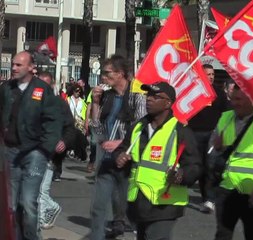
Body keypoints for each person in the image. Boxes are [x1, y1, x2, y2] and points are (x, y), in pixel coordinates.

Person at [115, 82, 201, 240]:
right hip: (139, 201)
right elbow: (122, 149)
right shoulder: (137, 127)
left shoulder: (180, 131)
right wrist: (119, 157)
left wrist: (182, 175)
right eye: (148, 96)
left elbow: (194, 165)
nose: (149, 99)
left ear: (168, 103)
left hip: (164, 203)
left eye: (156, 97)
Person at [0, 51, 62, 240]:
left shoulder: (42, 90)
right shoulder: (6, 89)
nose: (14, 68)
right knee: (11, 205)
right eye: (13, 64)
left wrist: (45, 149)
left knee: (28, 202)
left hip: (35, 153)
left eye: (19, 65)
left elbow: (53, 121)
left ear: (30, 67)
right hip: (11, 152)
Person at [89, 55, 146, 240]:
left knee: (125, 199)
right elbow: (97, 128)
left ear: (120, 74)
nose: (103, 77)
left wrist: (121, 143)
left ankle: (130, 226)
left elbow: (141, 128)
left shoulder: (137, 95)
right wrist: (96, 104)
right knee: (98, 203)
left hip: (127, 156)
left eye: (107, 73)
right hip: (107, 157)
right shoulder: (108, 97)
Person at [210, 85, 253, 240]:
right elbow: (212, 151)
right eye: (232, 99)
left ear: (251, 101)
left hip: (251, 191)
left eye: (239, 99)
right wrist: (218, 149)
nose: (234, 103)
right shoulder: (225, 117)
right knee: (223, 233)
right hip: (226, 186)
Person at [187, 64, 229, 213]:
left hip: (212, 134)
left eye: (212, 74)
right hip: (193, 133)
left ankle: (208, 199)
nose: (211, 77)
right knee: (193, 165)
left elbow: (227, 113)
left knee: (209, 167)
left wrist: (223, 133)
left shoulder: (218, 93)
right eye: (208, 74)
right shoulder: (192, 92)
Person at [37, 71, 75, 228]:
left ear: (52, 85)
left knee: (41, 190)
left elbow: (70, 129)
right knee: (33, 190)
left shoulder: (59, 104)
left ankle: (48, 210)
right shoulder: (31, 102)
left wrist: (64, 142)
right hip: (33, 152)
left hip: (50, 154)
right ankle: (40, 218)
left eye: (46, 84)